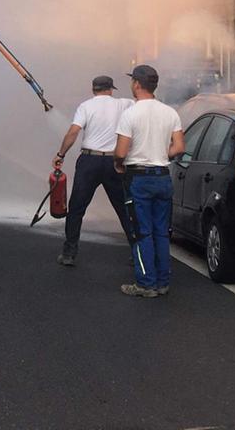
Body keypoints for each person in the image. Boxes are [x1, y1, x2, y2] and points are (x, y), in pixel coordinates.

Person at [113, 65, 184, 298]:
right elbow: (180, 147)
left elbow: (121, 151)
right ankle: (163, 282)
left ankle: (146, 283)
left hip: (139, 178)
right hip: (162, 176)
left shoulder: (130, 114)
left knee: (141, 232)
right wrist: (163, 154)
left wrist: (118, 164)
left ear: (136, 84)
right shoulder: (170, 112)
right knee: (161, 232)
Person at [54, 75, 133, 266]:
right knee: (124, 207)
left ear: (93, 89)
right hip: (115, 161)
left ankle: (69, 253)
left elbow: (73, 132)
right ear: (111, 89)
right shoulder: (124, 104)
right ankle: (138, 251)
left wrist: (61, 154)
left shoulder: (86, 106)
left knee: (77, 208)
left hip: (89, 160)